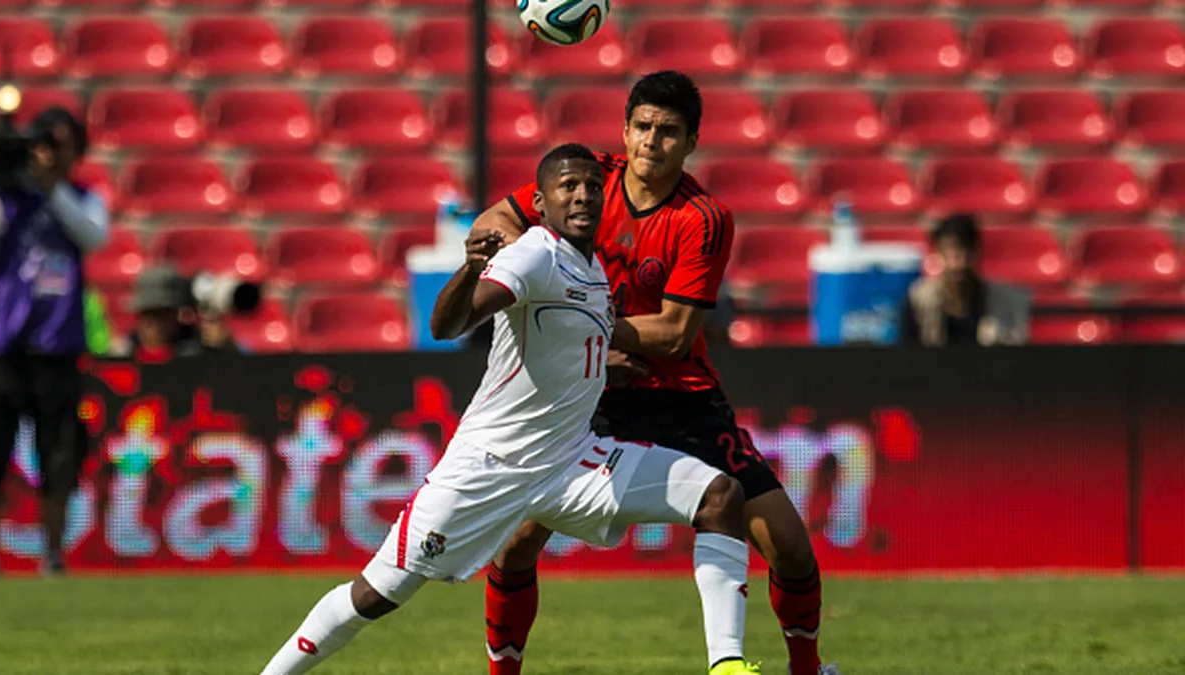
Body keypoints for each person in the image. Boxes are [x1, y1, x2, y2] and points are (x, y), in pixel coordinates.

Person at [259, 144, 760, 675]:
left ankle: (726, 665)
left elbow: (558, 341)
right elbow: (447, 326)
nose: (583, 195)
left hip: (571, 462)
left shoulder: (592, 269)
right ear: (541, 203)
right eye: (568, 186)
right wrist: (471, 270)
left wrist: (596, 368)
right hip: (491, 465)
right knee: (378, 592)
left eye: (593, 186)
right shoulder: (536, 253)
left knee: (719, 495)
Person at [470, 71, 837, 675]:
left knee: (790, 546)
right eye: (642, 126)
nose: (651, 141)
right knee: (515, 542)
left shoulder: (703, 217)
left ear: (691, 141)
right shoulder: (588, 181)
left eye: (668, 131)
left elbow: (673, 334)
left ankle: (808, 668)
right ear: (624, 130)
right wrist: (569, 315)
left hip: (679, 398)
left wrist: (576, 318)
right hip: (587, 393)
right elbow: (492, 223)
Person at [0, 106, 109, 576]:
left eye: (58, 146)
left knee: (58, 455)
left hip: (57, 346)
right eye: (41, 144)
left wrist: (52, 188)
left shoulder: (82, 198)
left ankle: (53, 554)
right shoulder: (4, 201)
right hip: (4, 344)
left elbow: (93, 237)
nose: (48, 155)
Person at [901, 213, 1029, 347]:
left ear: (976, 252)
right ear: (937, 253)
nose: (957, 265)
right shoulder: (919, 301)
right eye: (949, 254)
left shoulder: (1006, 303)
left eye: (963, 253)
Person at [122, 265, 239, 360]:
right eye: (147, 316)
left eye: (161, 315)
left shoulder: (197, 347)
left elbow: (241, 371)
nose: (152, 325)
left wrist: (226, 347)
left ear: (176, 314)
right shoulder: (127, 351)